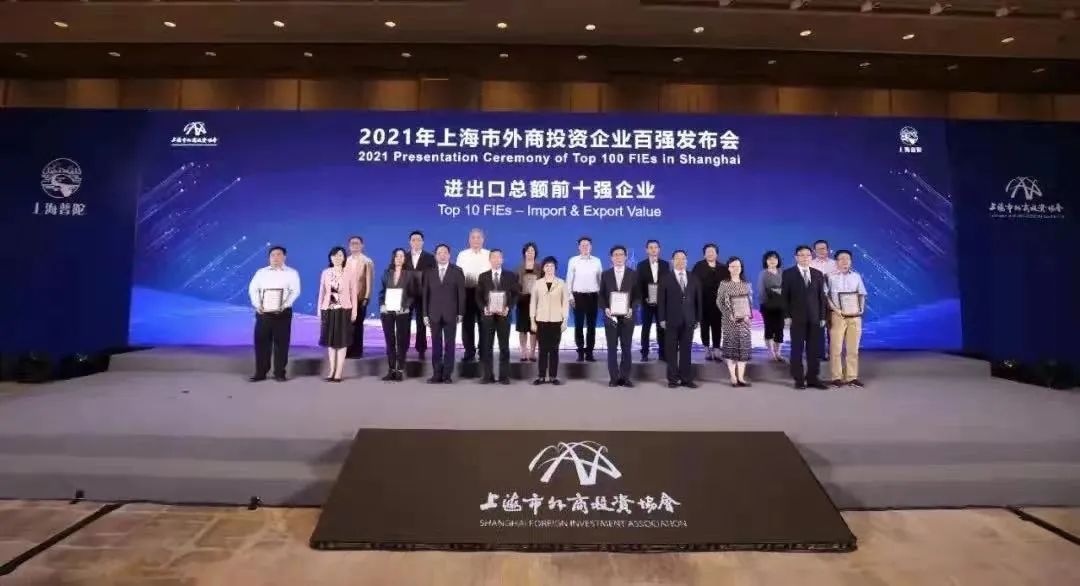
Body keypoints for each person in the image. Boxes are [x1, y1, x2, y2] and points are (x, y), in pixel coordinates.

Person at [247, 246, 300, 382]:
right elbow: (253, 290)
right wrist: (258, 305)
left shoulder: (292, 273)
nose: (275, 257)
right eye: (273, 255)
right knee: (261, 343)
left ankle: (280, 373)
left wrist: (285, 305)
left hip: (282, 313)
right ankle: (260, 372)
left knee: (281, 344)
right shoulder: (261, 272)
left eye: (278, 255)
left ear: (284, 257)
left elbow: (295, 291)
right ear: (269, 258)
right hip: (263, 313)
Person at [781, 245, 829, 390]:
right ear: (796, 257)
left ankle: (813, 378)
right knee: (797, 349)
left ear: (811, 257)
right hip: (796, 318)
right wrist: (786, 316)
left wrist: (823, 316)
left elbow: (822, 297)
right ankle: (799, 379)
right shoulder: (788, 274)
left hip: (815, 318)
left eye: (808, 255)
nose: (805, 258)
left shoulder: (818, 274)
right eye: (801, 255)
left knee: (814, 350)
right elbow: (784, 297)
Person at [658, 250, 701, 389]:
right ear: (672, 261)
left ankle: (686, 379)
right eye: (677, 258)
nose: (680, 261)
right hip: (670, 320)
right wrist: (661, 318)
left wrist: (698, 318)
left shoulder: (693, 278)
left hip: (689, 320)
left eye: (683, 258)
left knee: (686, 350)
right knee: (671, 351)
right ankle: (672, 379)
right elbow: (661, 300)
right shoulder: (665, 278)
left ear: (686, 261)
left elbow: (698, 300)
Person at [424, 243, 466, 384]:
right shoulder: (429, 272)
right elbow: (425, 295)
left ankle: (447, 374)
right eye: (439, 253)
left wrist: (460, 312)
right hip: (433, 314)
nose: (442, 255)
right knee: (436, 345)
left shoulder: (457, 271)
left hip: (451, 314)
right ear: (435, 256)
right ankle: (436, 374)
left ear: (449, 255)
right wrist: (425, 314)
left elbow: (461, 294)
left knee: (450, 345)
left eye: (445, 253)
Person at [476, 249, 519, 384]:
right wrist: (484, 308)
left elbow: (516, 294)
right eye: (493, 257)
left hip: (504, 316)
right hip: (488, 316)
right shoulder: (483, 276)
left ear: (502, 260)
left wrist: (508, 308)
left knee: (504, 347)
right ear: (490, 260)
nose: (496, 260)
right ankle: (487, 375)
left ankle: (504, 376)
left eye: (498, 257)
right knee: (486, 346)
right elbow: (478, 296)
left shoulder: (511, 276)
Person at [827, 250, 868, 388]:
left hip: (855, 316)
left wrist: (861, 309)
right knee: (836, 348)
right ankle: (836, 377)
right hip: (837, 315)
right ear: (836, 261)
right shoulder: (829, 277)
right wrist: (835, 309)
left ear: (851, 261)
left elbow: (862, 294)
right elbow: (826, 296)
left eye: (847, 259)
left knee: (853, 349)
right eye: (841, 259)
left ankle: (852, 377)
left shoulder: (856, 276)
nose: (845, 261)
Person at [599, 245, 638, 387]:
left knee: (626, 348)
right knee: (612, 348)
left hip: (628, 317)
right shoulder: (605, 274)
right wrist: (605, 308)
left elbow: (637, 296)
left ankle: (625, 377)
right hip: (611, 317)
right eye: (616, 255)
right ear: (611, 258)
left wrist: (632, 308)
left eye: (621, 254)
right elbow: (601, 296)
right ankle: (614, 378)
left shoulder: (633, 274)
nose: (619, 257)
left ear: (626, 257)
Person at [317, 246, 358, 382]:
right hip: (329, 309)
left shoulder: (350, 272)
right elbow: (322, 292)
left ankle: (339, 372)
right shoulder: (326, 272)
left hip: (344, 310)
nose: (337, 258)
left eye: (340, 255)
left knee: (342, 342)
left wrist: (354, 311)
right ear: (330, 258)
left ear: (344, 257)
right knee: (331, 342)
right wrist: (319, 310)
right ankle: (331, 371)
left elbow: (353, 294)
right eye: (334, 255)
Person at [379, 248, 417, 382]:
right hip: (387, 311)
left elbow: (413, 294)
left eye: (402, 256)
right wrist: (382, 305)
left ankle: (400, 370)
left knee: (402, 341)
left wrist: (406, 306)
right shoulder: (386, 273)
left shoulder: (410, 275)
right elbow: (382, 292)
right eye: (397, 256)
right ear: (393, 258)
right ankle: (391, 370)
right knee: (390, 341)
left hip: (403, 312)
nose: (399, 258)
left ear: (405, 259)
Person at [530, 256, 569, 385]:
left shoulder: (561, 283)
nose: (549, 268)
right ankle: (541, 376)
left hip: (556, 320)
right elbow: (533, 303)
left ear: (555, 268)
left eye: (552, 266)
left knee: (554, 350)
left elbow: (565, 303)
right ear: (543, 268)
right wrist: (532, 320)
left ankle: (553, 376)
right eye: (547, 265)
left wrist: (565, 320)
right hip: (541, 320)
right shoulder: (537, 283)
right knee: (542, 349)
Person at [717, 256, 753, 387]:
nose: (735, 268)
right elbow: (719, 302)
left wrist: (748, 315)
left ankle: (741, 378)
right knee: (731, 349)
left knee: (743, 349)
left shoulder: (746, 284)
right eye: (733, 266)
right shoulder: (724, 284)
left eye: (738, 266)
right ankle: (733, 377)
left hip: (744, 322)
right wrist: (729, 314)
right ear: (728, 268)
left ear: (741, 268)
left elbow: (750, 302)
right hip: (729, 321)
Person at [455, 228, 490, 362]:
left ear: (483, 239)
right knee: (467, 324)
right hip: (467, 292)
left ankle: (483, 351)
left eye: (478, 237)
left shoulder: (488, 254)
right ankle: (469, 351)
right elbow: (458, 275)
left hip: (484, 293)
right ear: (469, 240)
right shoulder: (462, 255)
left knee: (484, 323)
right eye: (473, 237)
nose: (476, 240)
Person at [566, 236, 602, 362]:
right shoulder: (573, 261)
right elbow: (569, 279)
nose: (585, 247)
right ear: (579, 247)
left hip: (593, 296)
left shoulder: (597, 261)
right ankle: (580, 352)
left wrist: (602, 297)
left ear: (591, 247)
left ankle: (590, 352)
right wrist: (570, 296)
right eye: (583, 245)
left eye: (587, 245)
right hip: (578, 296)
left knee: (592, 326)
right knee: (579, 325)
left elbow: (600, 280)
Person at [691, 243, 729, 361]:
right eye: (708, 252)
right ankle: (706, 348)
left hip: (718, 303)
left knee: (717, 326)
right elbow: (693, 283)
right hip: (703, 302)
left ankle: (716, 348)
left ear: (717, 254)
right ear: (704, 254)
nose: (710, 253)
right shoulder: (698, 266)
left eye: (712, 251)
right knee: (704, 326)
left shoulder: (723, 268)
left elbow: (727, 285)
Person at [404, 230, 436, 360]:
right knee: (404, 321)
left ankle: (421, 348)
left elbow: (434, 276)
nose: (416, 242)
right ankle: (403, 347)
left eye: (418, 240)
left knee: (421, 322)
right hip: (407, 295)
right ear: (409, 242)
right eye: (413, 240)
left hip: (423, 295)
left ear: (423, 242)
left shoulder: (430, 257)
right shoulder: (403, 256)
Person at [636, 239, 669, 362]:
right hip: (647, 303)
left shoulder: (665, 264)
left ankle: (662, 353)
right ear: (646, 250)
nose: (653, 249)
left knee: (661, 328)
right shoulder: (641, 265)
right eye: (651, 247)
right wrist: (644, 298)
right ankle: (644, 353)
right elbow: (638, 284)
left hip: (661, 303)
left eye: (655, 247)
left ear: (659, 249)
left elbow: (667, 283)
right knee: (646, 328)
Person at [345, 236, 374, 359]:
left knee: (358, 325)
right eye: (352, 243)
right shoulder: (345, 260)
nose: (354, 245)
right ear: (349, 246)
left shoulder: (367, 261)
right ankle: (347, 350)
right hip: (346, 298)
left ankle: (357, 351)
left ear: (362, 245)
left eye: (357, 243)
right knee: (347, 326)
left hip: (360, 298)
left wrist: (366, 298)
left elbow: (369, 282)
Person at [810, 239, 837, 361]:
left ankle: (833, 353)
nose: (821, 251)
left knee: (833, 328)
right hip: (816, 299)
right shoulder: (810, 264)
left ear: (828, 249)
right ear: (814, 251)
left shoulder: (835, 264)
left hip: (833, 299)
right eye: (818, 249)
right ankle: (820, 353)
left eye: (824, 248)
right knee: (818, 327)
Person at [757, 251, 786, 363]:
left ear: (778, 260)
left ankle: (778, 353)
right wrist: (776, 291)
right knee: (769, 329)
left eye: (775, 258)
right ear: (766, 261)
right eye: (769, 259)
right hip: (767, 306)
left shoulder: (782, 272)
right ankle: (771, 353)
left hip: (781, 306)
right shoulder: (763, 274)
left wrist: (777, 291)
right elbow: (761, 291)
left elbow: (787, 289)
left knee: (780, 329)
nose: (772, 261)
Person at [514, 242, 540, 362]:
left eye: (532, 251)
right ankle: (523, 352)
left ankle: (532, 353)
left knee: (534, 329)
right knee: (522, 329)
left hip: (536, 302)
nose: (530, 253)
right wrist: (520, 293)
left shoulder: (540, 267)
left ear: (535, 253)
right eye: (528, 251)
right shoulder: (518, 268)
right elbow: (514, 286)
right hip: (522, 301)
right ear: (524, 253)